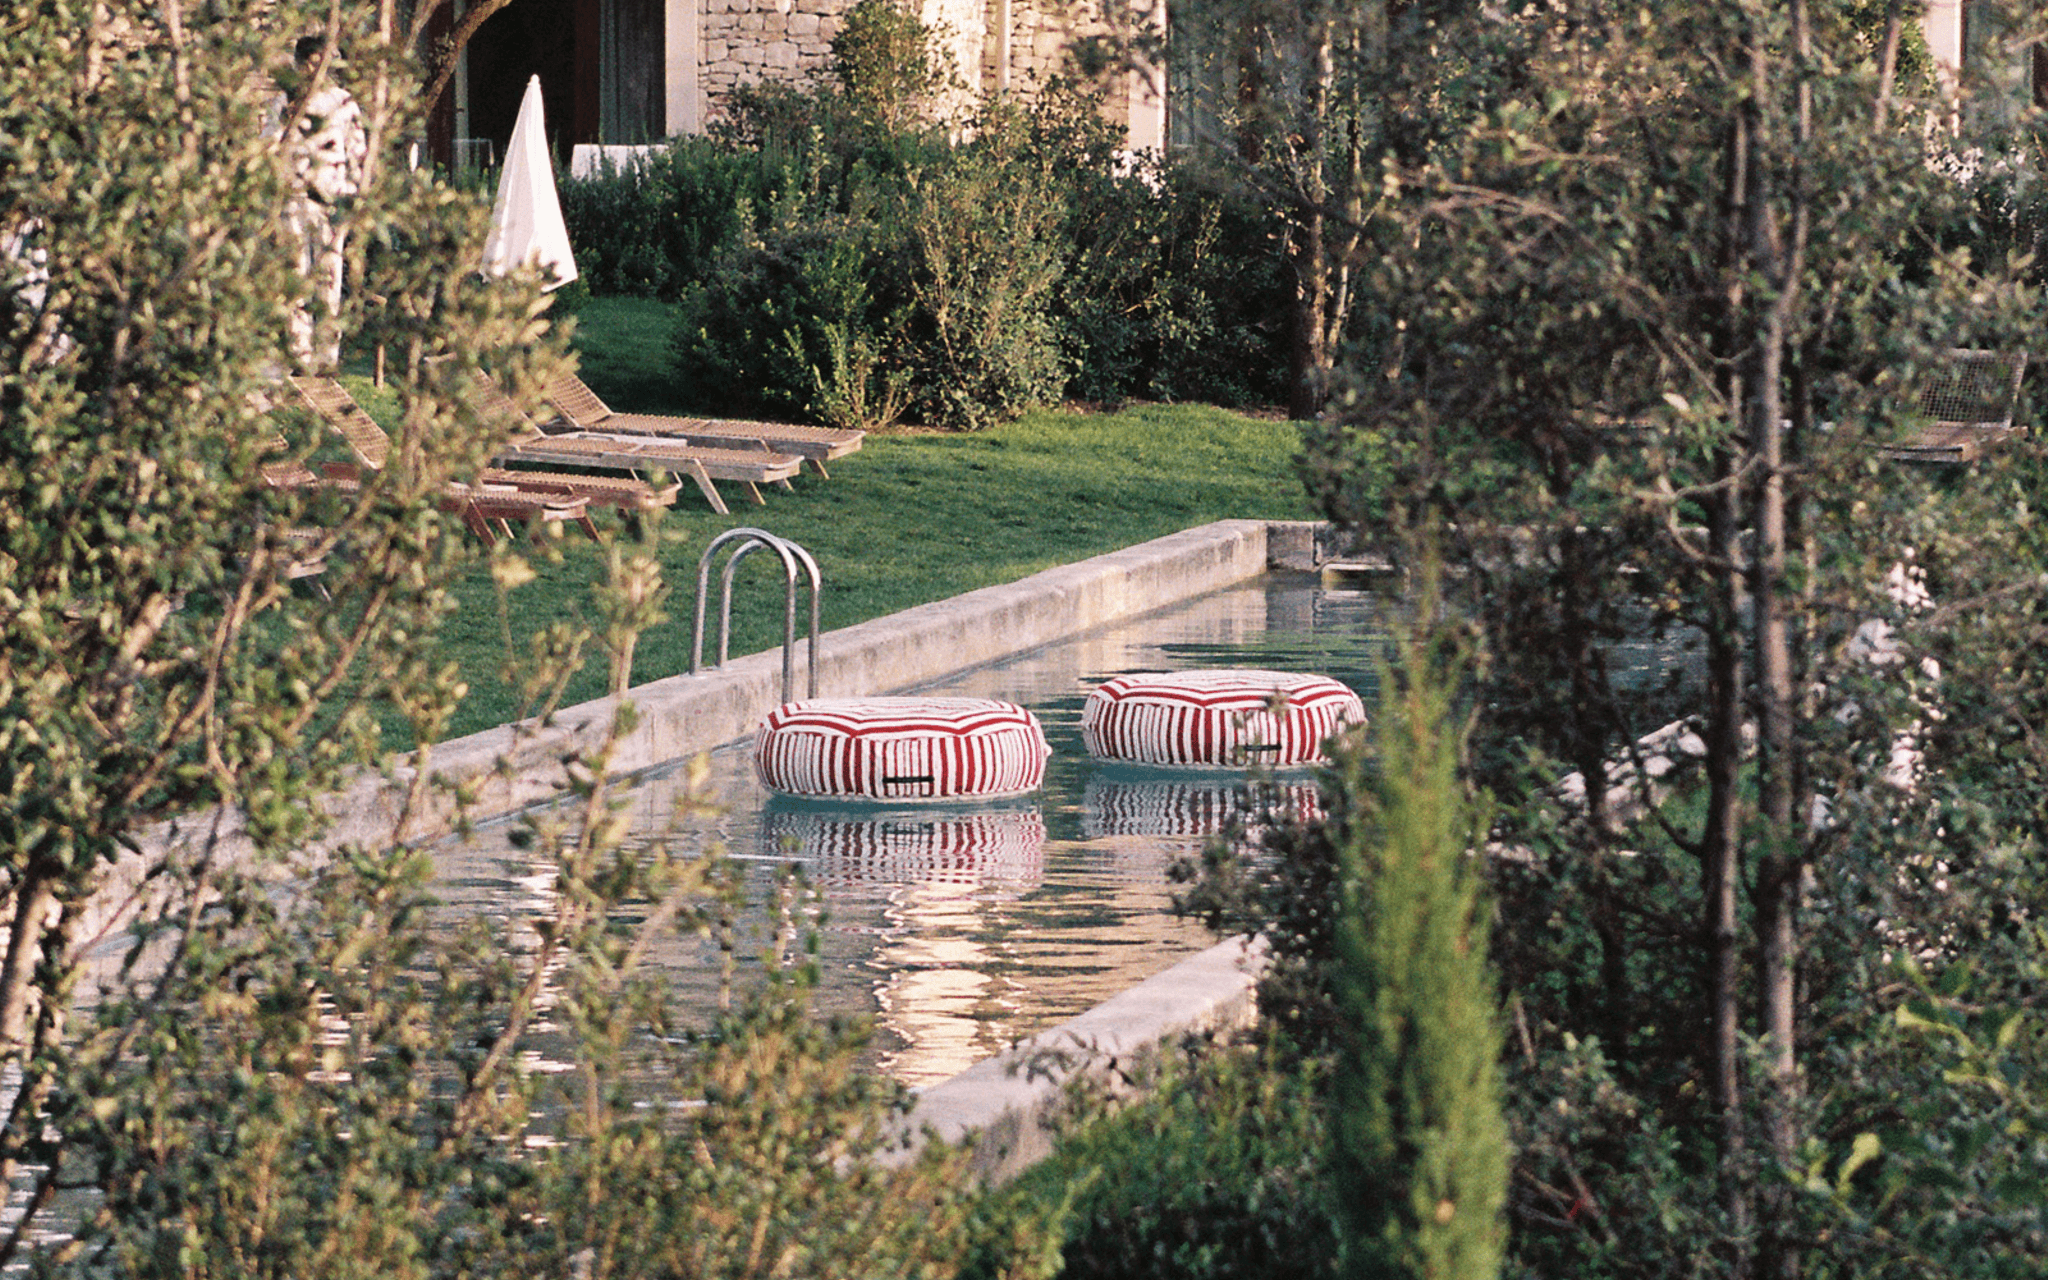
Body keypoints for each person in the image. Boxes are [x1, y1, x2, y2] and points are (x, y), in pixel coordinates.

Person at [281, 36, 367, 371]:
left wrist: (353, 195)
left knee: (328, 278)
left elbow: (357, 151)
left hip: (332, 202)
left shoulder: (343, 102)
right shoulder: (284, 101)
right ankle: (299, 353)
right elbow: (269, 145)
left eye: (321, 61)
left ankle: (326, 355)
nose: (315, 68)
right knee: (296, 273)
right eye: (309, 61)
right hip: (293, 199)